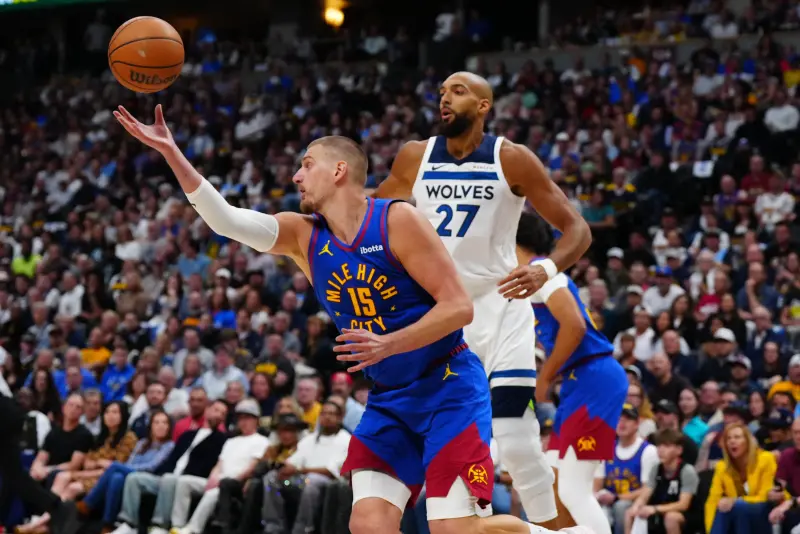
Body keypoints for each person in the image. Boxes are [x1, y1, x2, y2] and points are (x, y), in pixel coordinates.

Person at [113, 105, 583, 534]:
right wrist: (171, 152)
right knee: (368, 525)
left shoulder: (397, 220)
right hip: (390, 398)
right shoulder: (303, 236)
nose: (296, 176)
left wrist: (388, 344)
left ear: (338, 171)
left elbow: (459, 307)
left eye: (306, 165)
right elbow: (227, 221)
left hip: (448, 389)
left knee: (454, 531)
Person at [371, 70, 592, 530]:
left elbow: (577, 229)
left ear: (484, 105)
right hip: (442, 315)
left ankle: (561, 529)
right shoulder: (415, 156)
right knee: (460, 442)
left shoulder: (510, 158)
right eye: (441, 93)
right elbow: (372, 216)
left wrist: (545, 268)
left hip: (502, 308)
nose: (445, 99)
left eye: (458, 91)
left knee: (516, 439)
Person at [518, 212, 626, 534]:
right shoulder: (531, 276)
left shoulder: (542, 271)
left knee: (573, 490)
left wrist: (545, 376)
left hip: (594, 376)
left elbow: (575, 326)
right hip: (580, 380)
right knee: (553, 482)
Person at [0, 375, 80, 534]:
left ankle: (57, 507)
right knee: (13, 476)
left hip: (4, 415)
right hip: (8, 413)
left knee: (14, 475)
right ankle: (56, 507)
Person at [705, 423, 776, 534]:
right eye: (728, 438)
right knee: (722, 506)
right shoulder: (722, 466)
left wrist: (736, 501)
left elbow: (765, 496)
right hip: (737, 513)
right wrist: (710, 529)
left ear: (748, 441)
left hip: (763, 511)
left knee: (738, 506)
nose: (732, 441)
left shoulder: (765, 459)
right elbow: (712, 501)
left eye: (737, 437)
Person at [625, 428, 698, 534]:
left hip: (686, 514)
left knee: (671, 517)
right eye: (659, 446)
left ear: (679, 450)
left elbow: (683, 504)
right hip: (660, 509)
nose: (661, 450)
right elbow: (645, 494)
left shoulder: (687, 470)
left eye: (666, 446)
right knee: (630, 512)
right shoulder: (656, 469)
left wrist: (655, 509)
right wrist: (636, 507)